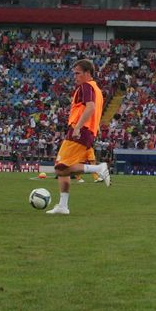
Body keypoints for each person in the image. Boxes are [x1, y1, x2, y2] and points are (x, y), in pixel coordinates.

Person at [47, 59, 111, 215]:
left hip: (80, 131)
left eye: (78, 73)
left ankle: (98, 168)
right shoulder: (96, 89)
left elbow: (90, 108)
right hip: (87, 131)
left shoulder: (86, 86)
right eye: (74, 73)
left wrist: (77, 127)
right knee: (61, 166)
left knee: (59, 168)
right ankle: (63, 205)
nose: (75, 77)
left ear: (87, 73)